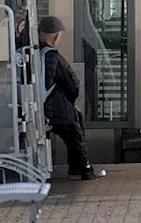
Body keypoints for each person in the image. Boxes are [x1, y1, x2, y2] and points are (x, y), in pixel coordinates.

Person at [38, 16, 105, 180]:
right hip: (53, 106)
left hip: (45, 106)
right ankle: (84, 169)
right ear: (55, 36)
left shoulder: (36, 52)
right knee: (75, 131)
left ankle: (76, 167)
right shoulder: (52, 56)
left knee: (73, 128)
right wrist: (70, 100)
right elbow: (70, 82)